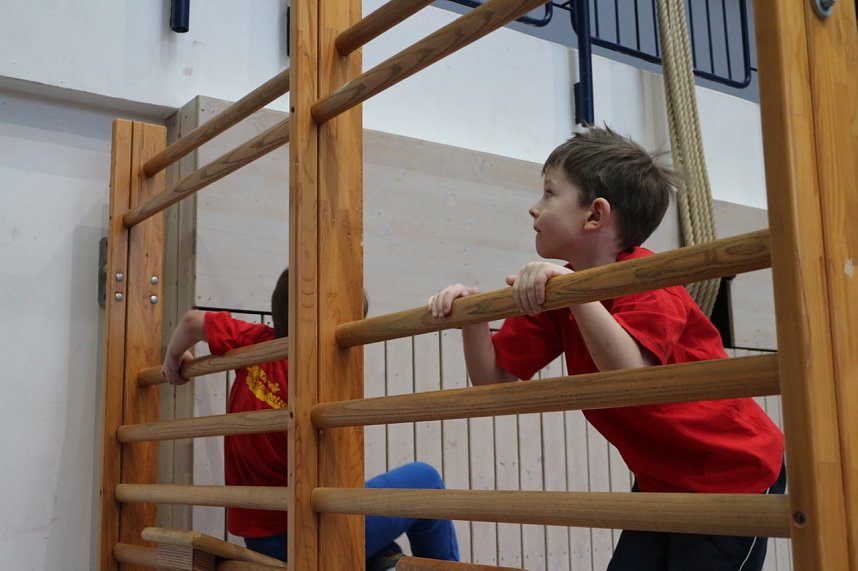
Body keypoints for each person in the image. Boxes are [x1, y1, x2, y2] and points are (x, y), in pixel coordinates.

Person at [427, 125, 785, 571]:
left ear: (594, 216)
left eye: (549, 193)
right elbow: (492, 378)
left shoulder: (649, 280)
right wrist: (473, 318)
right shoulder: (563, 287)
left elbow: (630, 376)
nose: (534, 208)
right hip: (660, 481)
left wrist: (575, 293)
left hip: (735, 472)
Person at [162, 269, 459, 569]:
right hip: (304, 535)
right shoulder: (320, 383)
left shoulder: (256, 342)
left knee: (384, 551)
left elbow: (191, 322)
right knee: (427, 480)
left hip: (260, 539)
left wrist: (173, 362)